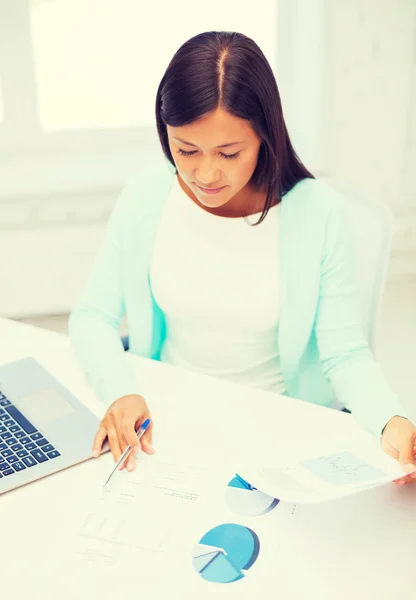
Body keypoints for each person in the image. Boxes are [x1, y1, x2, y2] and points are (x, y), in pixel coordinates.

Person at [69, 31, 416, 485]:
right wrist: (121, 392)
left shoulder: (317, 213)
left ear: (265, 137)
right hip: (169, 420)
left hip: (278, 428)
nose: (205, 174)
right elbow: (92, 316)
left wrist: (391, 421)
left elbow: (345, 354)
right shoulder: (147, 196)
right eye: (185, 150)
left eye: (229, 153)